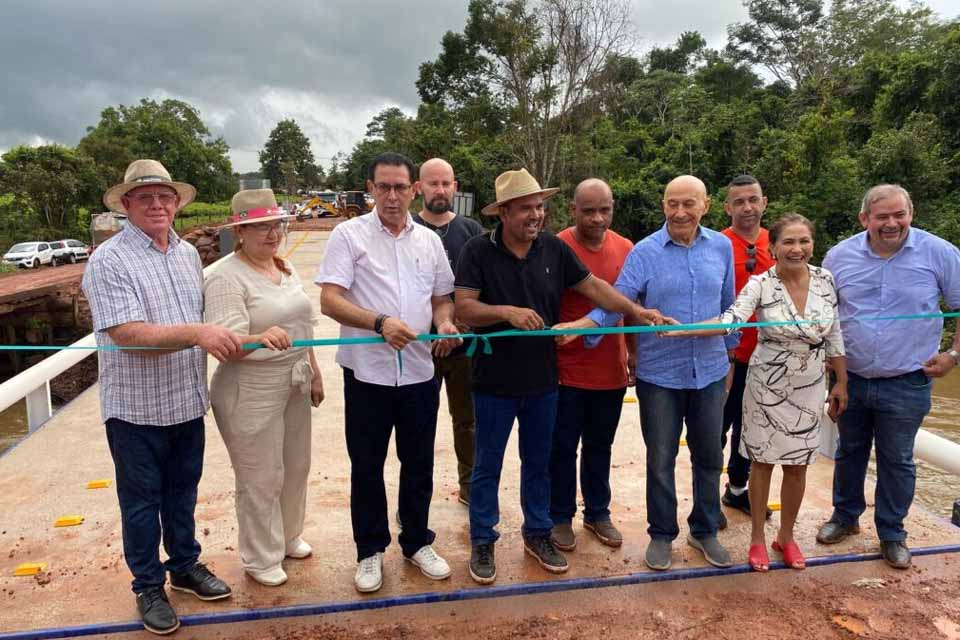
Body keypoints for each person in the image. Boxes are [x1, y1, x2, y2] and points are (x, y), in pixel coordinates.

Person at [455, 168, 663, 585]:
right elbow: (464, 309)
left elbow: (596, 289)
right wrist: (505, 312)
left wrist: (634, 311)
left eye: (539, 207)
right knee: (487, 467)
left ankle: (537, 533)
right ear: (504, 213)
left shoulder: (553, 249)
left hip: (543, 381)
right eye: (525, 209)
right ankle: (483, 540)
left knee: (539, 464)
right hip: (493, 381)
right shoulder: (478, 251)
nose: (535, 215)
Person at [82, 159, 241, 635]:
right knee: (140, 503)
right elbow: (128, 333)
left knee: (182, 494)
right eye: (145, 197)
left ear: (176, 204)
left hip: (186, 402)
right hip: (136, 409)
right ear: (126, 205)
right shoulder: (109, 260)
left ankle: (185, 566)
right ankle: (148, 586)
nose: (157, 204)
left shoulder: (186, 253)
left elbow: (205, 319)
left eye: (165, 196)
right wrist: (198, 333)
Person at [559, 175, 738, 571]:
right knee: (661, 458)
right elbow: (617, 300)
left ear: (705, 206)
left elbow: (731, 309)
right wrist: (587, 325)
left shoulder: (722, 247)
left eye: (689, 203)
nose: (679, 212)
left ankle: (705, 529)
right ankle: (661, 534)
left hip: (709, 371)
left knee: (710, 455)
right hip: (660, 376)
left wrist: (729, 360)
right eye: (672, 203)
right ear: (663, 205)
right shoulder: (645, 252)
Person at [666, 214, 847, 572]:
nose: (797, 249)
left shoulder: (826, 280)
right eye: (788, 243)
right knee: (761, 462)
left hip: (810, 384)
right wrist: (682, 331)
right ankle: (758, 540)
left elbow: (835, 333)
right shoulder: (760, 284)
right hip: (767, 385)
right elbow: (730, 319)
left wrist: (841, 381)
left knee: (798, 466)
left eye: (804, 241)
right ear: (773, 247)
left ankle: (787, 536)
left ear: (812, 244)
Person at [317, 152, 461, 593]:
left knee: (418, 463)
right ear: (371, 189)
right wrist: (379, 323)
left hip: (420, 371)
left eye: (401, 187)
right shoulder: (349, 235)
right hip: (367, 374)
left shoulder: (429, 242)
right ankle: (369, 550)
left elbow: (442, 297)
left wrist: (445, 323)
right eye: (384, 187)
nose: (393, 196)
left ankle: (417, 542)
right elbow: (330, 300)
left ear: (413, 188)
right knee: (367, 465)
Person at [817, 184, 960, 569]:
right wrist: (833, 374)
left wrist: (954, 355)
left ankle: (892, 533)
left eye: (900, 215)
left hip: (908, 379)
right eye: (882, 217)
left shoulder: (940, 253)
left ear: (911, 214)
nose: (892, 223)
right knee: (849, 452)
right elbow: (824, 316)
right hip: (853, 377)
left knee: (898, 459)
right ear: (865, 219)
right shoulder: (839, 256)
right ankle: (845, 518)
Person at [203, 189, 325, 587]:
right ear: (240, 232)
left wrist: (314, 370)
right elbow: (227, 344)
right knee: (261, 475)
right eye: (260, 227)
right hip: (249, 386)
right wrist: (259, 336)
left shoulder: (284, 268)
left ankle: (288, 536)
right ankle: (260, 556)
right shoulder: (224, 276)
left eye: (277, 225)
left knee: (296, 465)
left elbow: (302, 328)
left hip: (293, 377)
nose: (272, 234)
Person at [548, 178, 635, 551]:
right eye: (589, 211)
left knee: (601, 445)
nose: (598, 218)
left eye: (605, 210)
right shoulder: (554, 247)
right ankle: (559, 517)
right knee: (562, 447)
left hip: (610, 371)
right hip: (566, 371)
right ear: (573, 210)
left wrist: (632, 352)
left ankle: (598, 513)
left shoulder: (627, 248)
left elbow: (629, 304)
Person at [413, 158, 484, 506]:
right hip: (416, 348)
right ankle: (415, 496)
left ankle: (470, 487)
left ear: (455, 187)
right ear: (419, 188)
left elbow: (487, 282)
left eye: (446, 184)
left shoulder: (471, 231)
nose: (440, 191)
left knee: (468, 422)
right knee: (417, 427)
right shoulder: (407, 229)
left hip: (464, 348)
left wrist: (461, 324)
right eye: (433, 184)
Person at [719, 175, 776, 519]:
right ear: (727, 207)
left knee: (752, 428)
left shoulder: (779, 242)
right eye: (739, 201)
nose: (747, 207)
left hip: (769, 357)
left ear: (764, 202)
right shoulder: (716, 244)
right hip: (728, 357)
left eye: (753, 200)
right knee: (716, 428)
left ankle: (738, 489)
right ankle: (705, 497)